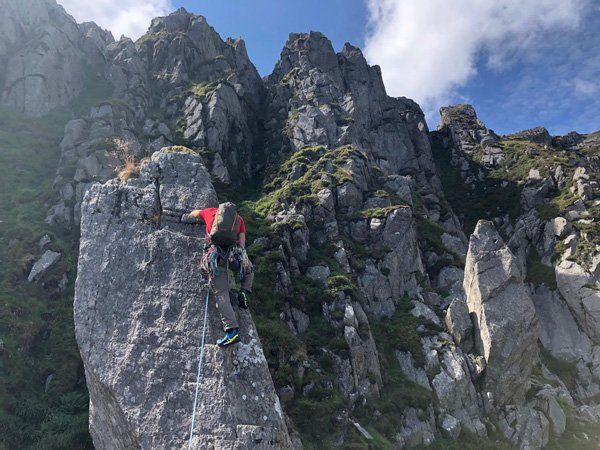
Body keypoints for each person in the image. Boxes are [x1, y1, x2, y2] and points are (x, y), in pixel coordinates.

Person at [186, 203, 254, 347]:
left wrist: (188, 215)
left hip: (216, 257)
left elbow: (194, 214)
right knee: (249, 270)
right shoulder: (238, 219)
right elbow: (242, 244)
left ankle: (232, 332)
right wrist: (241, 258)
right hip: (233, 255)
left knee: (222, 293)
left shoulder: (210, 212)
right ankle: (244, 290)